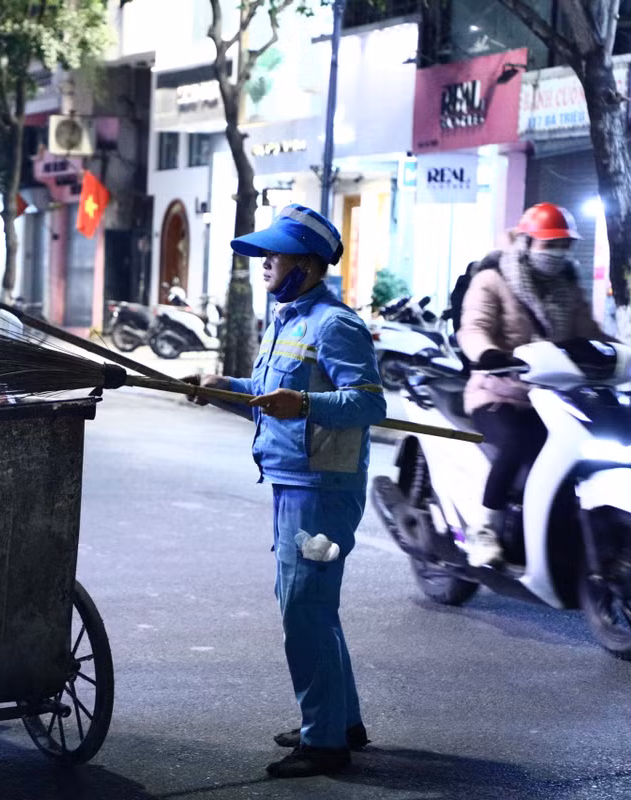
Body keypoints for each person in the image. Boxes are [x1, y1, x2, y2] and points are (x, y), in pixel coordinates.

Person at [185, 204, 386, 778]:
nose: (265, 262)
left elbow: (368, 403)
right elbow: (268, 394)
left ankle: (324, 744)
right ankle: (341, 721)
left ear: (308, 263)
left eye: (276, 253)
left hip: (322, 489)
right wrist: (224, 388)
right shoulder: (285, 321)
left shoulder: (334, 324)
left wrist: (306, 404)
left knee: (305, 611)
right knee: (312, 608)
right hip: (292, 481)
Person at [457, 202, 610, 567]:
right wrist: (488, 354)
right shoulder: (492, 279)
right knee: (518, 441)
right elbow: (474, 327)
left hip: (556, 397)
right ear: (527, 243)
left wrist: (624, 355)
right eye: (549, 244)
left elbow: (590, 334)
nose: (557, 253)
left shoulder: (567, 287)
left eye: (564, 245)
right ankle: (484, 528)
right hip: (498, 393)